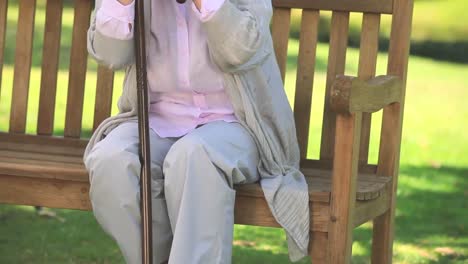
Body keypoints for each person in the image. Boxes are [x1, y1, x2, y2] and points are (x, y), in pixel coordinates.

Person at [84, 0, 310, 263]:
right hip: (155, 118)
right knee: (110, 160)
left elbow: (243, 49)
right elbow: (110, 55)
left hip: (236, 122)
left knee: (194, 155)